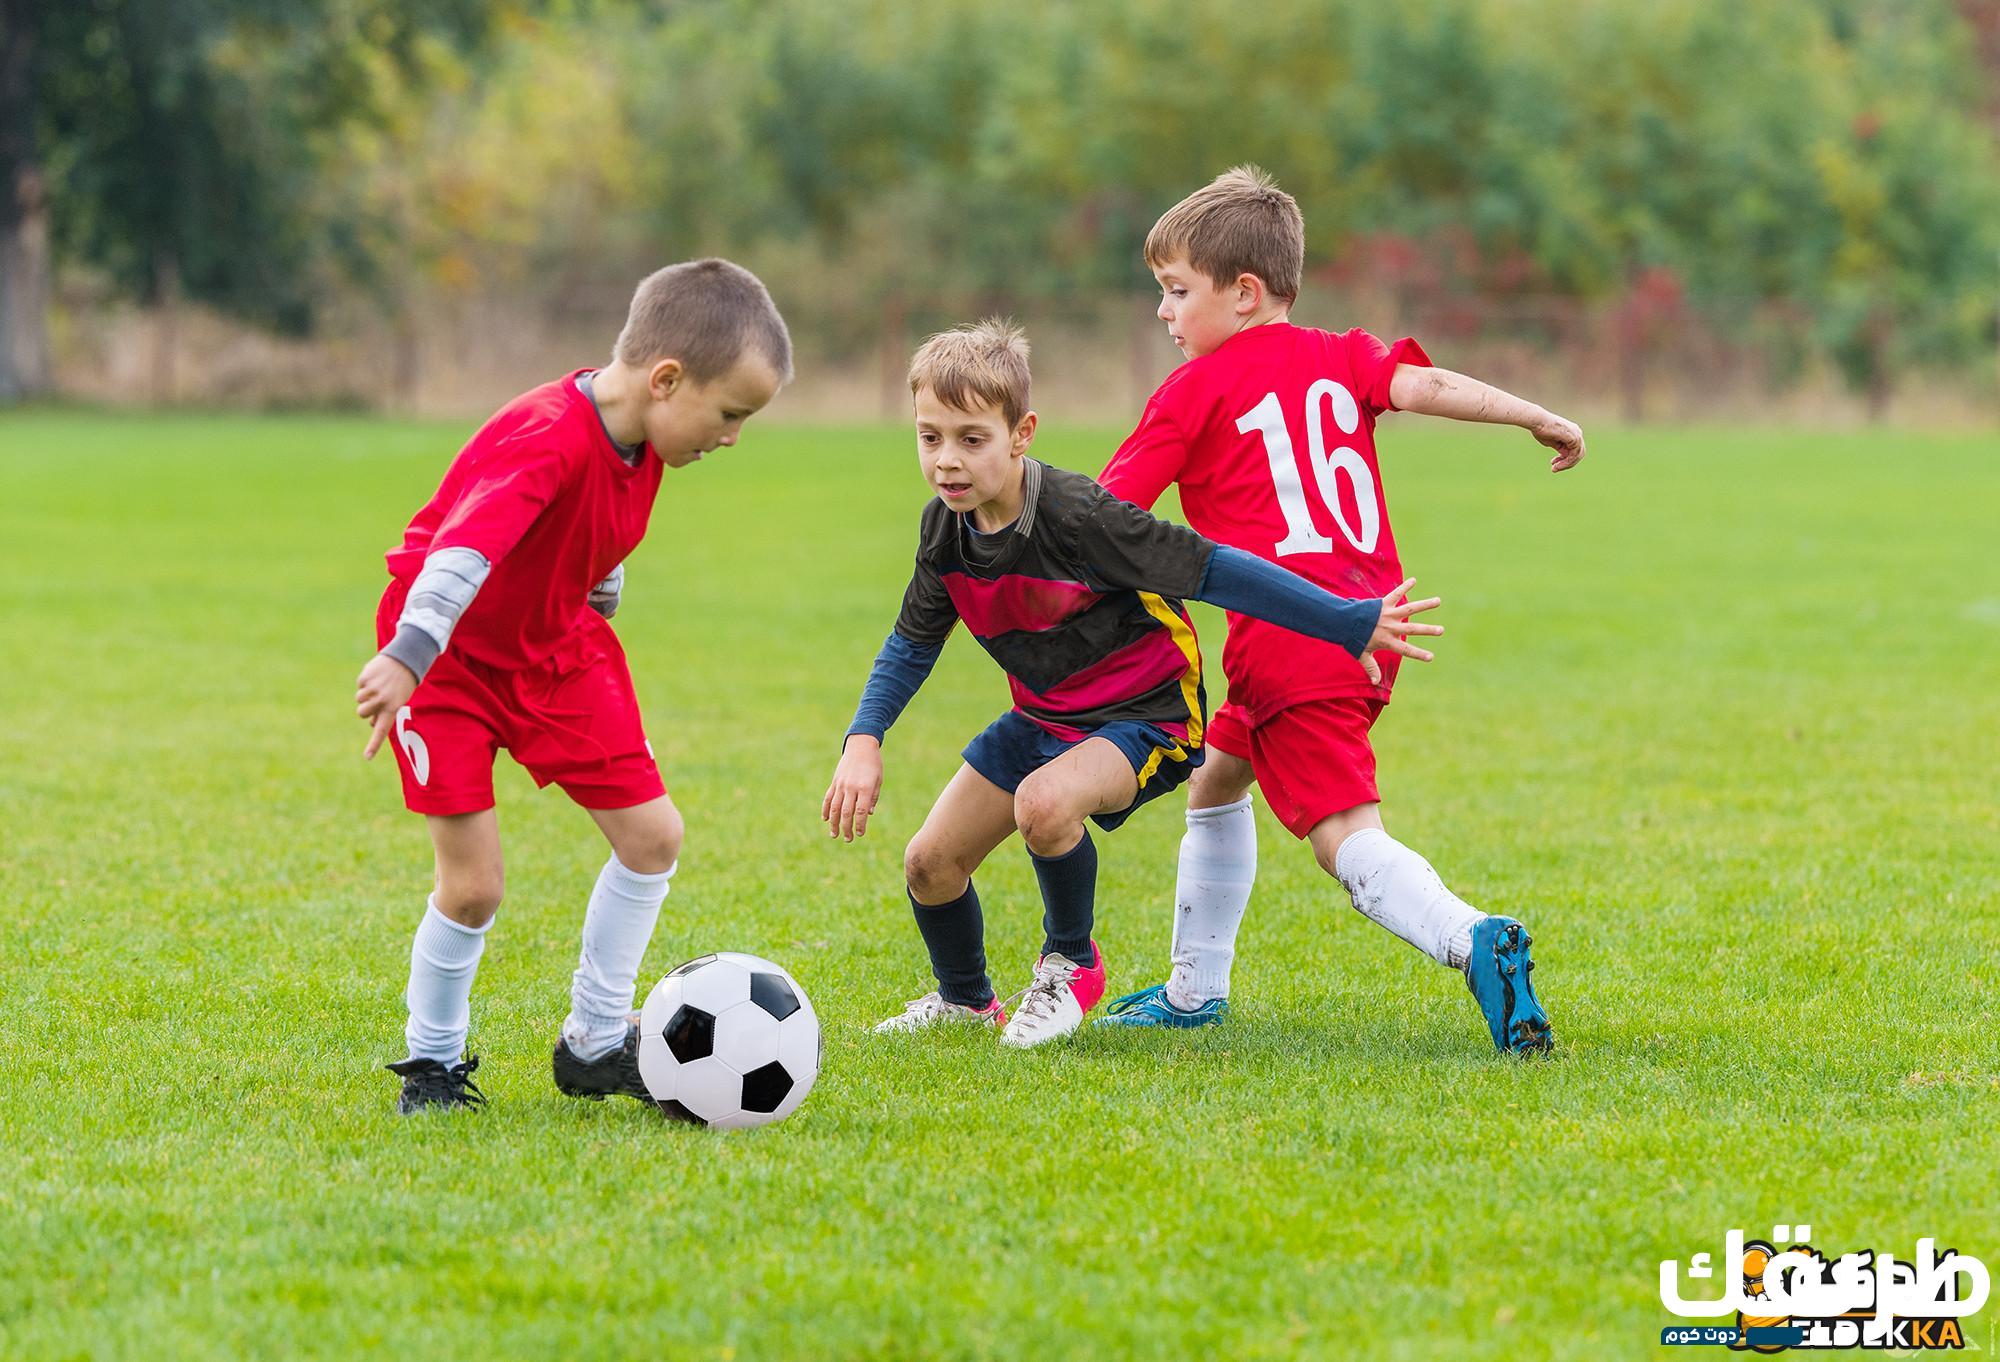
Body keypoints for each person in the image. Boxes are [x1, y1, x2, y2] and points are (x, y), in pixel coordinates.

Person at [820, 319, 1442, 1048]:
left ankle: (1070, 966)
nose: (946, 462)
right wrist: (864, 739)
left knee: (1043, 804)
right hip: (1047, 715)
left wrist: (1345, 620)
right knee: (929, 863)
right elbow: (911, 642)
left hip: (1147, 715)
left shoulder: (1080, 519)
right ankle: (964, 999)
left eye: (971, 438)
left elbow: (1217, 570)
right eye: (930, 438)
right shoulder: (944, 532)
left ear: (1021, 434)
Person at [1094, 167, 1583, 1053]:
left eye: (1175, 292)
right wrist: (1533, 415)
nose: (1163, 313)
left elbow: (1106, 516)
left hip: (1291, 637)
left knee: (1344, 838)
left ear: (1242, 294)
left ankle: (1471, 939)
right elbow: (1429, 388)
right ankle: (1195, 990)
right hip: (1370, 619)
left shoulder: (1192, 393)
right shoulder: (1342, 353)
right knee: (1216, 779)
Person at [353, 259, 791, 1113]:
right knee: (474, 885)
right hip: (450, 660)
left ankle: (594, 1043)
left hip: (557, 650)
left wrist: (600, 583)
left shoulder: (644, 438)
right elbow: (463, 553)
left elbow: (590, 531)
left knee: (653, 837)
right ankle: (432, 1065)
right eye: (730, 413)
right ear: (666, 380)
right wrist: (409, 656)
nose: (733, 435)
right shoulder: (546, 433)